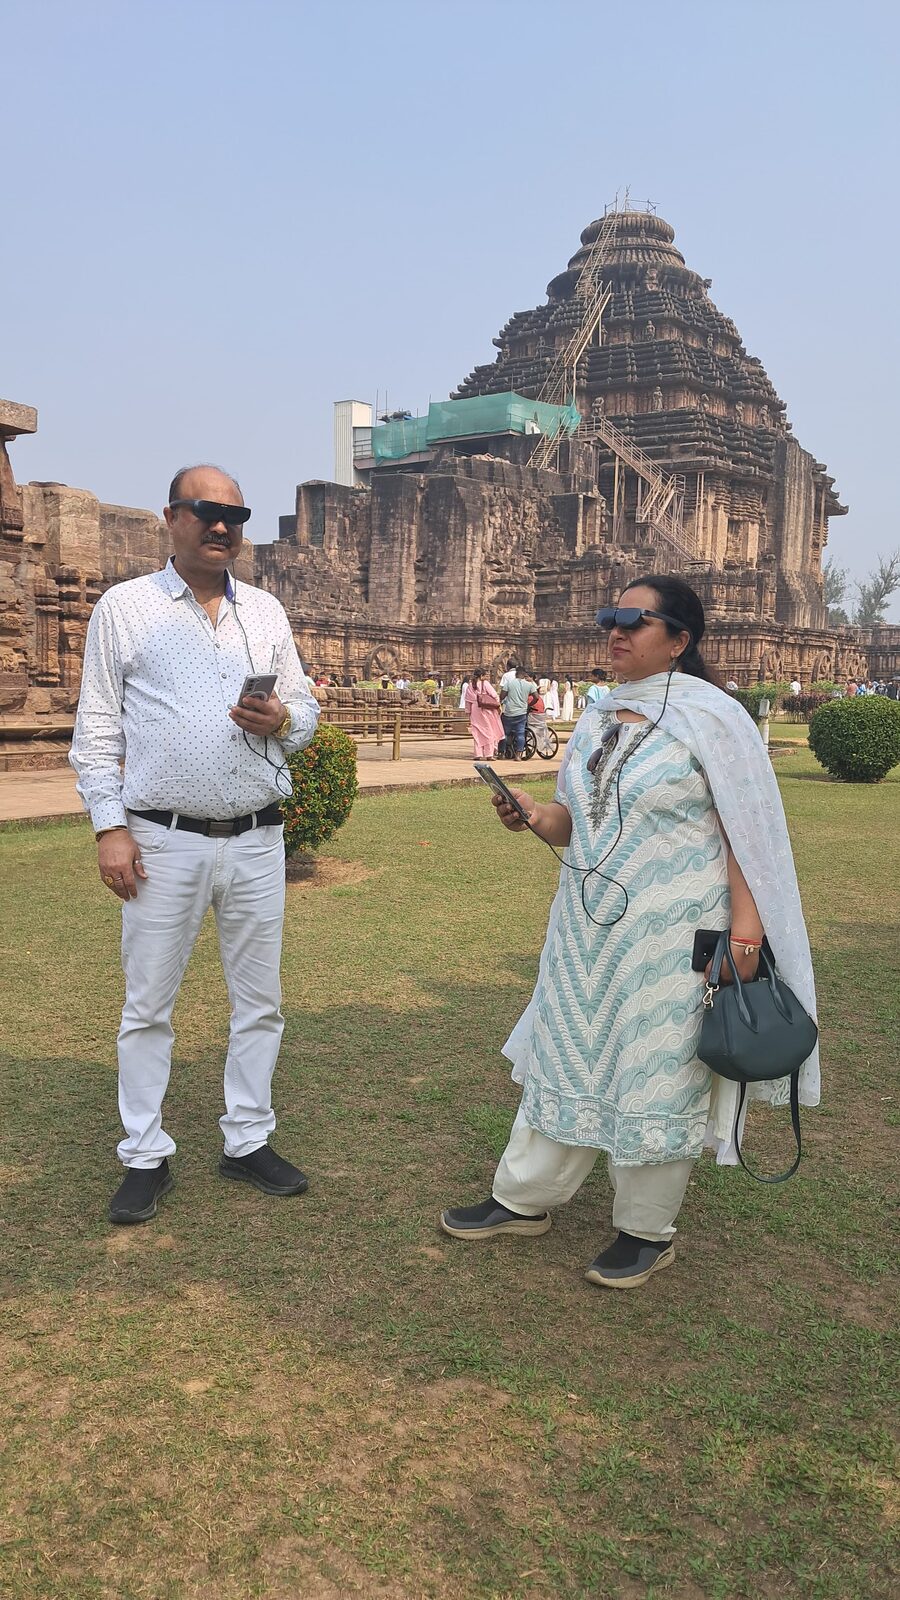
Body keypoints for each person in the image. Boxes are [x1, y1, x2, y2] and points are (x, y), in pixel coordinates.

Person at [441, 573, 818, 1289]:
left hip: (673, 935)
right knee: (566, 1051)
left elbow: (749, 840)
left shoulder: (713, 719)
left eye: (634, 621)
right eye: (608, 617)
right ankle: (524, 1198)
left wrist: (745, 937)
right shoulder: (598, 716)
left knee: (656, 1068)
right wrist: (531, 813)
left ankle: (646, 1229)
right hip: (585, 930)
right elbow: (571, 822)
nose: (615, 631)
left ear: (679, 640)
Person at [70, 464, 320, 1225]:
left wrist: (283, 720)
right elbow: (97, 730)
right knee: (148, 1005)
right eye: (205, 511)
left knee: (260, 1003)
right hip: (161, 838)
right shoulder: (127, 609)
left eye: (234, 516)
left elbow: (306, 711)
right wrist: (110, 826)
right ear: (172, 517)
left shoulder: (265, 613)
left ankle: (247, 1138)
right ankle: (145, 1151)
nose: (221, 526)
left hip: (256, 838)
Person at [499, 664, 538, 760]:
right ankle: (518, 755)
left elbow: (502, 696)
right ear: (524, 674)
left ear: (516, 673)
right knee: (520, 734)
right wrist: (529, 704)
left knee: (504, 733)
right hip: (521, 713)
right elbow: (536, 697)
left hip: (509, 712)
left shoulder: (509, 683)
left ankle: (502, 753)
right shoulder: (529, 685)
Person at [465, 669, 504, 759]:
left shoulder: (470, 685)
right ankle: (489, 754)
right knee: (488, 731)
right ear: (481, 676)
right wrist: (498, 705)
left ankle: (478, 754)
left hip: (475, 710)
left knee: (477, 732)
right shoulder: (485, 683)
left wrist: (468, 713)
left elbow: (468, 701)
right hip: (486, 709)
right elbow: (494, 695)